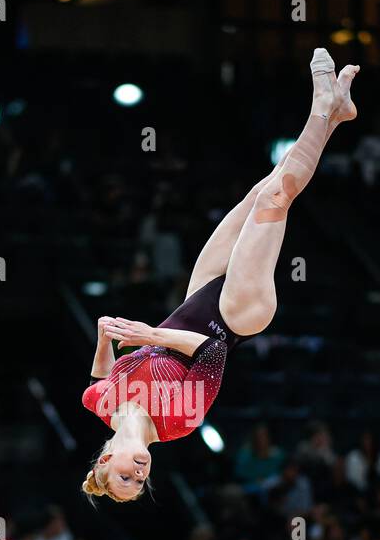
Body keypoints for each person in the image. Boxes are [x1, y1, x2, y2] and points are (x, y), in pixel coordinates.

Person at [80, 49, 359, 501]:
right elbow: (211, 353)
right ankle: (321, 106)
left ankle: (335, 115)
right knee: (274, 200)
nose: (140, 473)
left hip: (194, 300)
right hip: (233, 317)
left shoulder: (102, 406)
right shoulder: (178, 423)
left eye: (125, 478)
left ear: (106, 461)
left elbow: (99, 377)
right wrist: (152, 332)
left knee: (258, 192)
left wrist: (104, 337)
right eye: (141, 483)